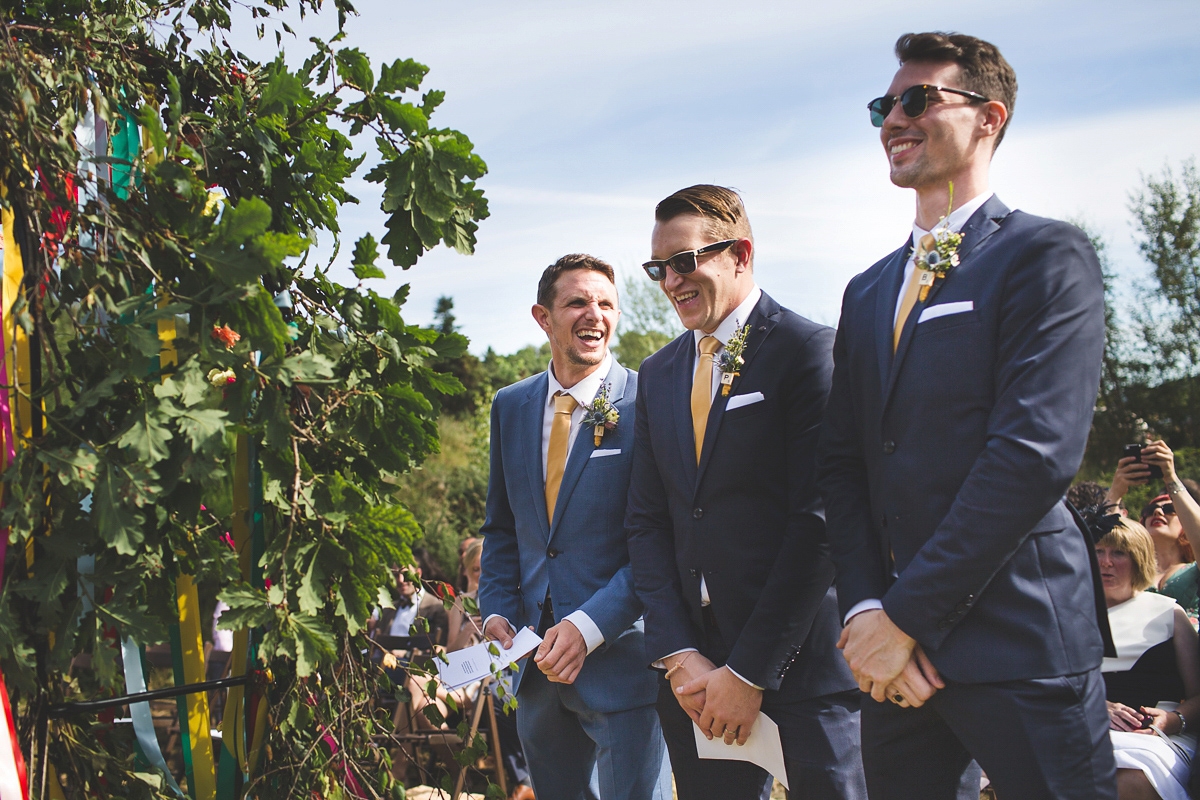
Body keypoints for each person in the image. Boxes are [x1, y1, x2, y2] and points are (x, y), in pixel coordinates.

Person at [816, 31, 1116, 800]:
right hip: (893, 667)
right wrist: (864, 613)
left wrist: (904, 617)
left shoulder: (1045, 255)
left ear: (990, 117)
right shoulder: (867, 289)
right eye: (885, 105)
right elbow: (845, 464)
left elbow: (1033, 454)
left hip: (1017, 643)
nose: (893, 119)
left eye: (918, 99)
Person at [625, 184, 865, 799]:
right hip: (695, 680)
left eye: (686, 261)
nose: (671, 280)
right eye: (659, 268)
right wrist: (680, 655)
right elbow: (648, 523)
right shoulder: (656, 374)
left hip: (799, 668)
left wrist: (749, 670)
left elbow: (819, 522)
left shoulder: (809, 350)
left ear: (741, 253)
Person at [478, 254, 671, 800]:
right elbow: (501, 528)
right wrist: (495, 610)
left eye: (607, 303)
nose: (595, 315)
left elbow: (659, 540)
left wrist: (590, 626)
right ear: (543, 317)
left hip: (622, 665)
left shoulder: (648, 399)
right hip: (534, 675)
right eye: (578, 302)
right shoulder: (510, 406)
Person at [1096, 518, 1200, 800]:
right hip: (1082, 726)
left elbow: (1198, 695)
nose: (1106, 562)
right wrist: (1094, 705)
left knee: (1130, 782)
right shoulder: (1065, 613)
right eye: (1098, 551)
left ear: (1139, 559)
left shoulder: (1169, 613)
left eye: (1118, 553)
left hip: (1158, 737)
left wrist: (1171, 721)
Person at [1105, 440, 1200, 618]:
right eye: (1149, 511)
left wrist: (1171, 477)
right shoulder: (1124, 568)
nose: (1157, 511)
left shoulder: (1196, 568)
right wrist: (1115, 491)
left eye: (1169, 509)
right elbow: (1098, 544)